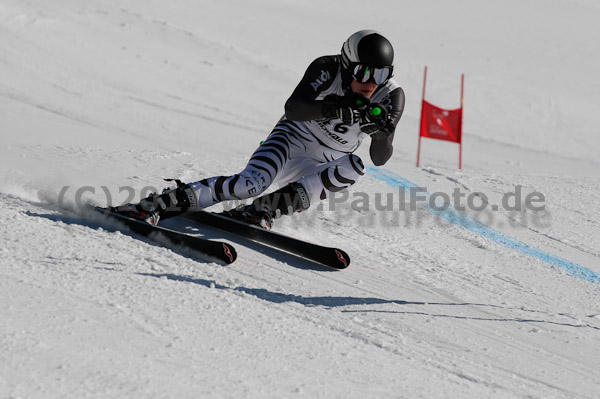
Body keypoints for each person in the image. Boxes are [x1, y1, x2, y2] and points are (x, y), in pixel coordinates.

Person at [116, 29, 406, 229]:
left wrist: (381, 132)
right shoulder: (326, 68)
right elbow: (293, 108)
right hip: (291, 140)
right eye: (363, 71)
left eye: (380, 74)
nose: (371, 82)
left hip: (323, 164)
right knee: (247, 185)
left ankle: (262, 210)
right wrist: (333, 107)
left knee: (356, 167)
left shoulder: (390, 95)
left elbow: (381, 157)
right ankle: (156, 205)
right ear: (347, 64)